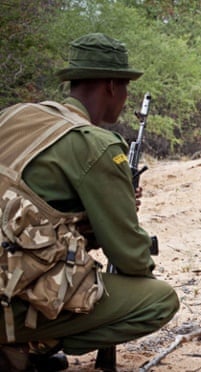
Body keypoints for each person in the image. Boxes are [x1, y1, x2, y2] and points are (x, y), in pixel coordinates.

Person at [0, 33, 179, 371]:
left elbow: (30, 216)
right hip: (7, 302)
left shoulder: (13, 116)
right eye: (125, 87)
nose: (125, 98)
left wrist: (90, 219)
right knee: (158, 300)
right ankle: (29, 346)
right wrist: (118, 213)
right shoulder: (95, 144)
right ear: (112, 86)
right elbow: (131, 258)